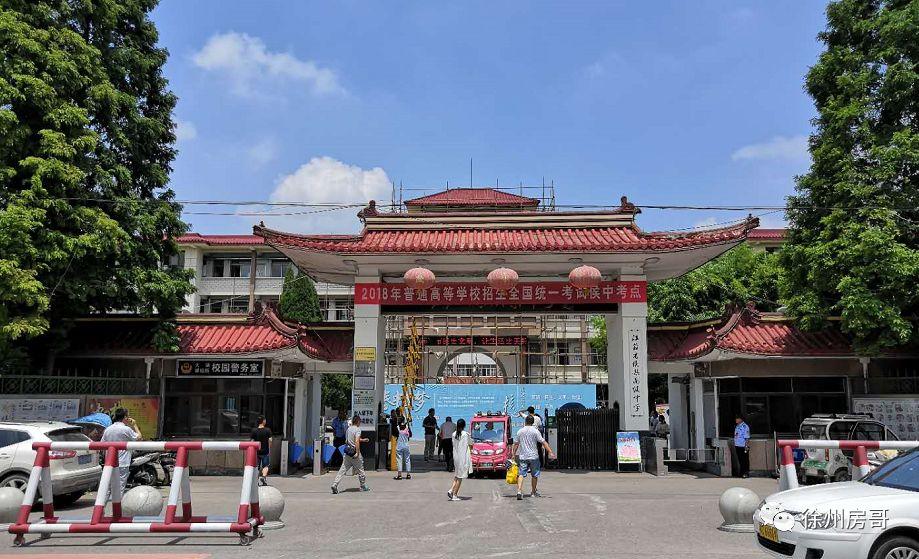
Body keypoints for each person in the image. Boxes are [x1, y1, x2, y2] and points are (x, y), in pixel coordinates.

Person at [100, 408, 142, 496]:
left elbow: (102, 445)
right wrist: (134, 425)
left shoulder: (108, 429)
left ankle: (102, 504)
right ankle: (116, 505)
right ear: (125, 417)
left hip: (109, 462)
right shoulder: (126, 429)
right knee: (120, 487)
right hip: (122, 462)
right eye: (128, 417)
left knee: (107, 487)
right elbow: (139, 438)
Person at [512, 414, 555, 500]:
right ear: (533, 422)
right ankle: (533, 492)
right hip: (533, 456)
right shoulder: (535, 431)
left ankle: (519, 491)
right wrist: (550, 452)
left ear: (525, 421)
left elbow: (516, 444)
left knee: (521, 474)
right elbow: (543, 442)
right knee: (534, 475)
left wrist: (513, 454)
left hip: (523, 456)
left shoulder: (520, 431)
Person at [332, 415, 370, 494]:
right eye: (360, 422)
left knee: (342, 470)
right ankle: (363, 485)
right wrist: (357, 453)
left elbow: (347, 441)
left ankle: (335, 484)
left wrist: (363, 440)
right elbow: (356, 441)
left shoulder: (348, 429)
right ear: (358, 421)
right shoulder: (358, 430)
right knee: (361, 470)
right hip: (354, 453)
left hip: (347, 453)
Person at [447, 419, 472, 501]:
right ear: (464, 426)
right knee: (460, 477)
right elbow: (471, 444)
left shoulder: (453, 434)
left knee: (457, 475)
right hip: (463, 457)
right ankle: (454, 495)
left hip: (456, 457)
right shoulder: (465, 434)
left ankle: (451, 490)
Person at [250, 415, 272, 486]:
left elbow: (252, 441)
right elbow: (270, 440)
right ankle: (263, 477)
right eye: (265, 420)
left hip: (256, 451)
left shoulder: (254, 431)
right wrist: (269, 448)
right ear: (263, 421)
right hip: (265, 451)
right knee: (265, 466)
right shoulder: (268, 430)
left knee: (257, 467)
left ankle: (256, 481)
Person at [734, 414, 751, 478]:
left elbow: (747, 438)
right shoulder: (737, 426)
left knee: (745, 460)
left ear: (740, 419)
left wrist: (746, 446)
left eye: (737, 418)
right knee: (740, 460)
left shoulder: (745, 426)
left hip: (743, 446)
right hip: (737, 445)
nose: (736, 420)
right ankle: (741, 473)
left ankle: (746, 473)